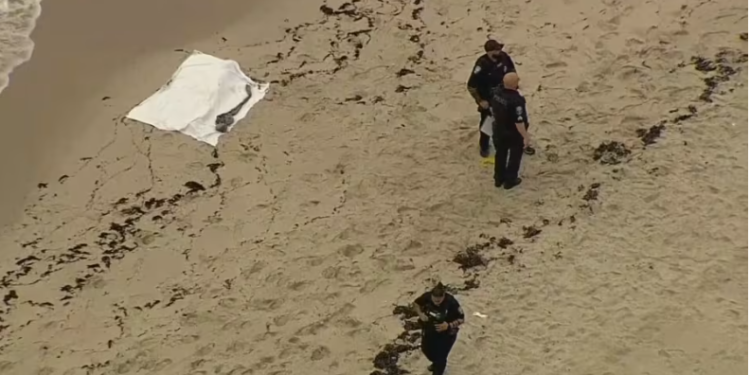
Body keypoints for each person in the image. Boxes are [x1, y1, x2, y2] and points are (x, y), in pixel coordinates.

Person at [467, 39, 516, 157]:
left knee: (511, 119)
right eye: (496, 50)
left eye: (499, 49)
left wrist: (513, 85)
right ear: (489, 52)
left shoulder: (504, 57)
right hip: (488, 98)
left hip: (504, 94)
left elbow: (512, 70)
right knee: (487, 123)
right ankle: (484, 146)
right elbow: (471, 86)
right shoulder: (481, 64)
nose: (499, 52)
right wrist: (480, 100)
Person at [413, 283, 465, 375]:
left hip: (446, 335)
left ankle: (438, 368)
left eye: (439, 301)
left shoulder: (451, 302)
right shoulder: (427, 297)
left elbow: (461, 319)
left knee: (441, 358)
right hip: (429, 330)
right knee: (426, 350)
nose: (436, 302)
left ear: (444, 296)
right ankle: (435, 363)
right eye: (434, 300)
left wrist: (448, 325)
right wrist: (421, 314)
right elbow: (416, 304)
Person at [490, 72, 530, 189]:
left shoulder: (496, 92)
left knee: (500, 154)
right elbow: (519, 121)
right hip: (512, 132)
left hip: (498, 129)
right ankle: (510, 180)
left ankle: (498, 178)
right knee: (514, 156)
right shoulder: (516, 100)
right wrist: (525, 136)